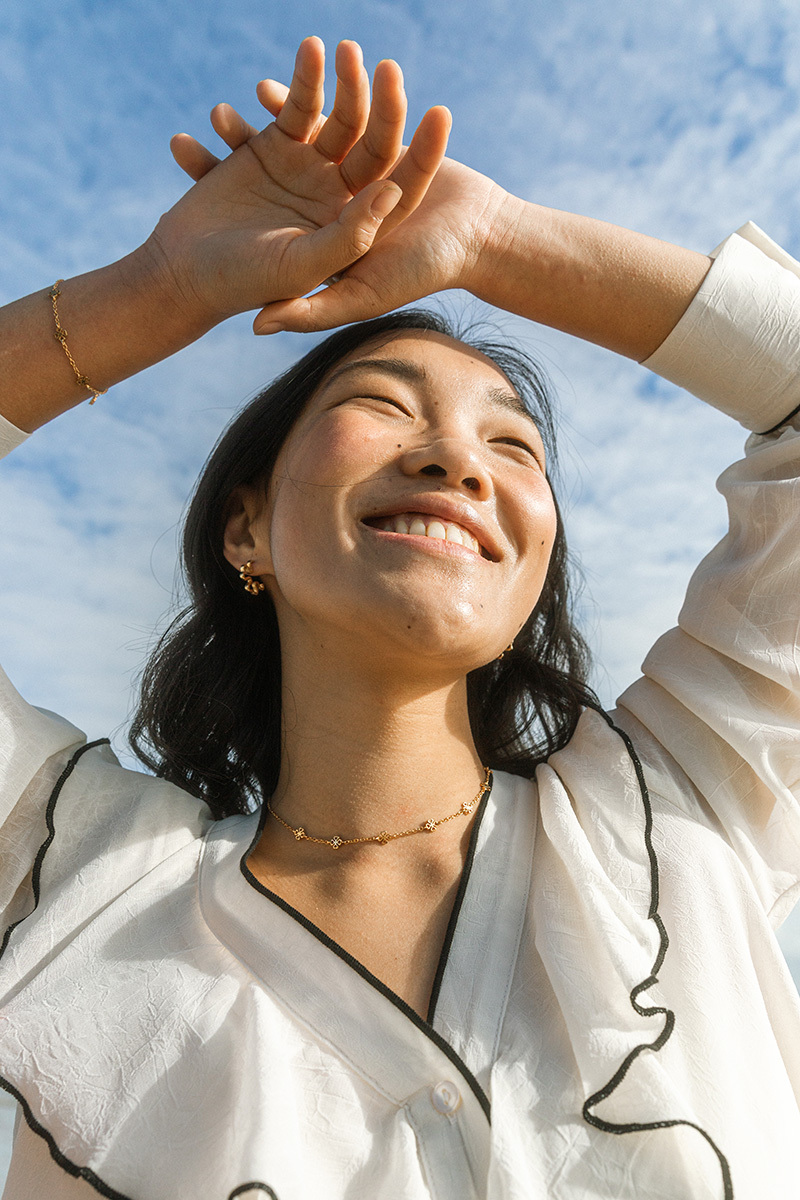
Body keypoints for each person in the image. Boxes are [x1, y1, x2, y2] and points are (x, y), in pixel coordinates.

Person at [0, 34, 799, 1200]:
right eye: (380, 403)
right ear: (246, 530)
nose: (454, 460)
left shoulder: (684, 810)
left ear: (533, 567)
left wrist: (496, 242)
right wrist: (166, 286)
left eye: (511, 445)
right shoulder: (72, 882)